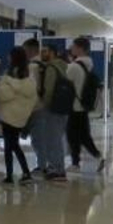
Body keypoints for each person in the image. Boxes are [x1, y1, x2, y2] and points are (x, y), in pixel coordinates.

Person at [0, 47, 37, 184]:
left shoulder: (10, 74)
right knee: (13, 144)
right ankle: (23, 173)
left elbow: (3, 94)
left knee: (10, 145)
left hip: (8, 115)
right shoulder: (28, 73)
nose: (7, 58)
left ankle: (12, 175)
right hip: (20, 116)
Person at [65, 36, 104, 171]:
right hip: (84, 105)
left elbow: (65, 81)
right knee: (82, 135)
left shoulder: (74, 66)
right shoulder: (89, 64)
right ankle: (92, 158)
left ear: (80, 49)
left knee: (74, 135)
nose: (71, 49)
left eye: (73, 46)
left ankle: (77, 162)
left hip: (74, 105)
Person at [36, 43, 71, 180]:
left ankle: (58, 169)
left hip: (53, 108)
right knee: (58, 138)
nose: (42, 54)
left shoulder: (51, 68)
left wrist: (44, 105)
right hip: (64, 106)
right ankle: (57, 166)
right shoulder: (65, 65)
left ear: (52, 52)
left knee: (53, 139)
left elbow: (49, 90)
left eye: (44, 51)